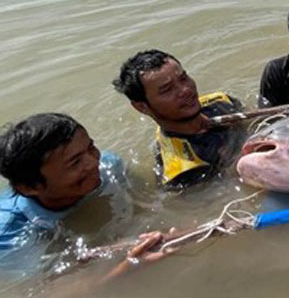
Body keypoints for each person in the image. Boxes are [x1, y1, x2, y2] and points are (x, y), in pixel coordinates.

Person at [0, 113, 169, 277]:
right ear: (30, 187)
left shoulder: (110, 166)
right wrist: (126, 267)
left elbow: (145, 206)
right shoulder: (9, 234)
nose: (93, 163)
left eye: (91, 148)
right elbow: (47, 291)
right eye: (75, 163)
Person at [113, 50, 244, 187]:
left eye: (183, 78)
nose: (186, 90)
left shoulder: (220, 100)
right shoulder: (183, 172)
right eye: (167, 89)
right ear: (142, 107)